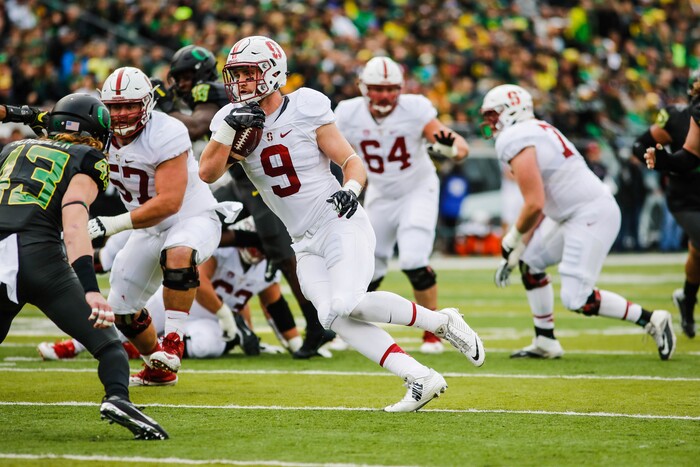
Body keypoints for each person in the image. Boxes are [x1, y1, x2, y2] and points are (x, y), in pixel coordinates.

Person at [199, 35, 484, 412]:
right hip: (301, 239)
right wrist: (226, 131)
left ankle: (443, 322)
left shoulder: (306, 105)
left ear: (273, 72)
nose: (242, 82)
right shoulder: (229, 120)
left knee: (347, 302)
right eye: (236, 74)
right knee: (331, 315)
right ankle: (419, 377)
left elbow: (352, 161)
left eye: (249, 72)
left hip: (337, 219)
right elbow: (207, 172)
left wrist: (350, 188)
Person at [0, 94, 168, 439]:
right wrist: (91, 289)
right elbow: (74, 219)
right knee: (109, 347)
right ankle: (117, 398)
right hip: (38, 256)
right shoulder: (86, 157)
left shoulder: (12, 149)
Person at [157, 45, 333, 359]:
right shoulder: (226, 91)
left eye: (187, 76)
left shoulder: (214, 94)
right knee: (202, 217)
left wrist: (163, 112)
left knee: (281, 251)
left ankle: (314, 321)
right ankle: (208, 288)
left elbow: (196, 125)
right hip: (238, 180)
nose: (182, 83)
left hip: (261, 182)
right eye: (178, 77)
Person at [482, 84, 676, 361]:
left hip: (590, 214)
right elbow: (542, 204)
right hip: (571, 213)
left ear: (512, 110)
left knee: (577, 299)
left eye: (493, 114)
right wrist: (518, 250)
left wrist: (511, 239)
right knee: (531, 262)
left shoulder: (516, 136)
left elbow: (534, 203)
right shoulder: (536, 129)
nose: (489, 122)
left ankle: (652, 319)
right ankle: (545, 341)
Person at [87, 66, 237, 381]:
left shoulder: (166, 130)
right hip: (148, 228)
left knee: (179, 254)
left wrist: (112, 225)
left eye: (130, 105)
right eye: (115, 106)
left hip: (191, 217)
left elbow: (170, 202)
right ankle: (157, 364)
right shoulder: (98, 130)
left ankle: (173, 342)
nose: (123, 113)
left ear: (147, 103)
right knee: (123, 311)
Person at [334, 56, 470, 354]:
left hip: (417, 189)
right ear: (363, 87)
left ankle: (433, 333)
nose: (384, 95)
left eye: (391, 88)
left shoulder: (415, 108)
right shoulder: (347, 113)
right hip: (380, 192)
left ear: (401, 88)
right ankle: (355, 330)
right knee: (369, 264)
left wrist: (452, 149)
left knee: (413, 260)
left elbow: (459, 146)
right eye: (377, 88)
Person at [636, 72, 700, 338]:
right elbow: (689, 156)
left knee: (698, 254)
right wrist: (662, 162)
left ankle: (687, 300)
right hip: (687, 197)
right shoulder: (679, 115)